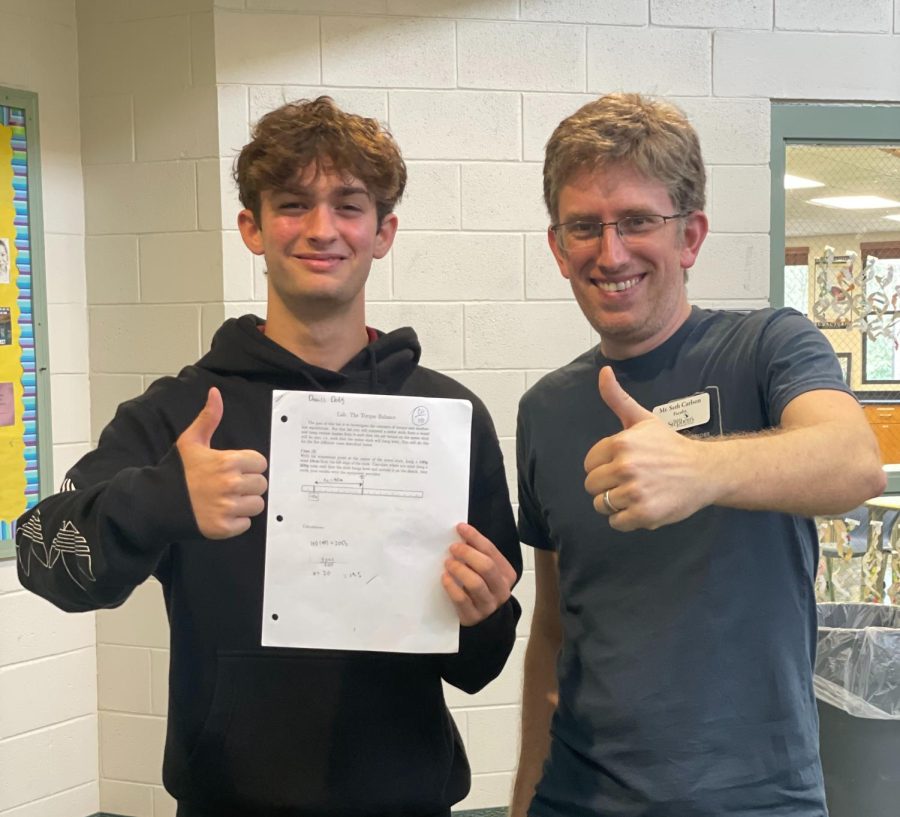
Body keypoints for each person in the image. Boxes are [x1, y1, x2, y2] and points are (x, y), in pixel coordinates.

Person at [16, 97, 522, 817]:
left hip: (407, 799)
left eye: (349, 206)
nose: (322, 229)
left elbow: (481, 664)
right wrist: (160, 499)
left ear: (384, 232)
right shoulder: (181, 414)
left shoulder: (447, 419)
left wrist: (483, 613)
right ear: (252, 227)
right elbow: (41, 554)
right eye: (292, 204)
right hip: (227, 800)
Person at [510, 93, 886, 817]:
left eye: (639, 222)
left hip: (755, 798)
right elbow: (554, 626)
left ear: (690, 236)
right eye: (585, 226)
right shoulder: (546, 410)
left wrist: (700, 468)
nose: (611, 252)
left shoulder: (770, 347)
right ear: (559, 247)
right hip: (579, 798)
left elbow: (853, 460)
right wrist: (524, 798)